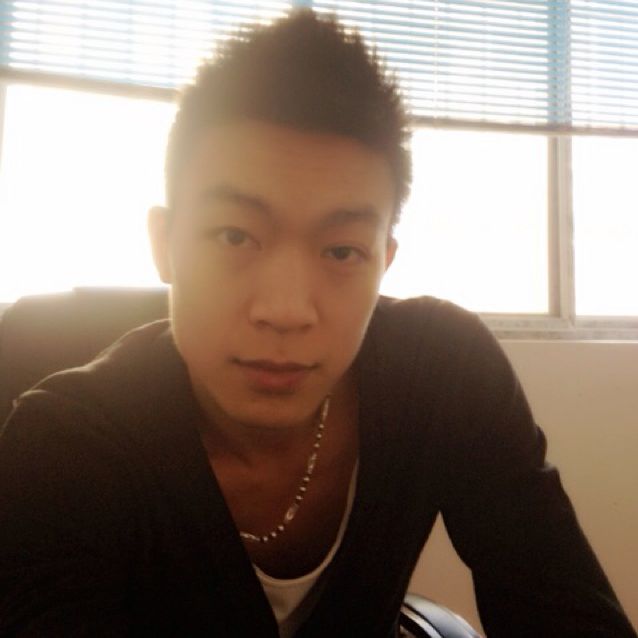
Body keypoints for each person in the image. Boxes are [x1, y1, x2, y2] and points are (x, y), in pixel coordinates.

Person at [0, 10, 635, 638]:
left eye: (341, 251)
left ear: (383, 262)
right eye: (235, 235)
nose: (286, 310)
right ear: (164, 244)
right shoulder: (65, 447)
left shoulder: (444, 373)